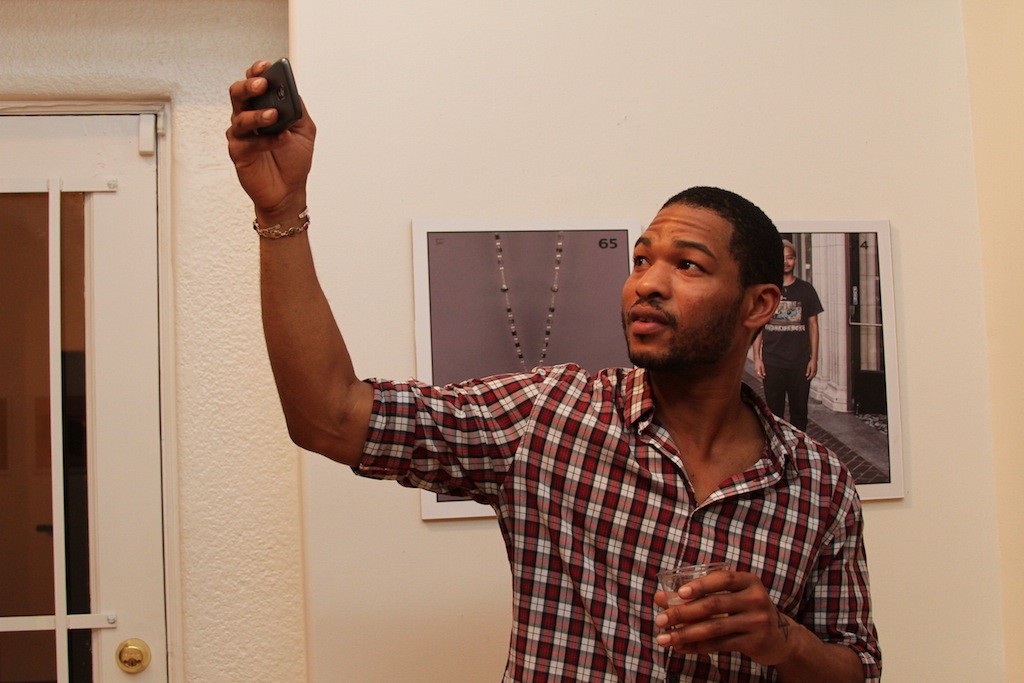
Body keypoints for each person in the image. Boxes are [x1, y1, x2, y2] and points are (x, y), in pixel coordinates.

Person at [227, 60, 880, 682]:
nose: (647, 283)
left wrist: (782, 640)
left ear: (759, 305)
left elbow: (857, 667)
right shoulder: (550, 415)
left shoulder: (819, 484)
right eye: (642, 259)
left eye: (687, 265)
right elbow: (331, 416)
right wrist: (281, 212)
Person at [753, 240, 823, 431]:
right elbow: (759, 326)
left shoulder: (806, 290)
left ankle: (798, 448)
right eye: (782, 258)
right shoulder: (767, 292)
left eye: (790, 258)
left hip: (799, 363)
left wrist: (814, 359)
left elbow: (813, 325)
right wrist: (757, 358)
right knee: (774, 415)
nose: (786, 262)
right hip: (772, 362)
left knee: (799, 414)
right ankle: (779, 447)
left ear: (795, 260)